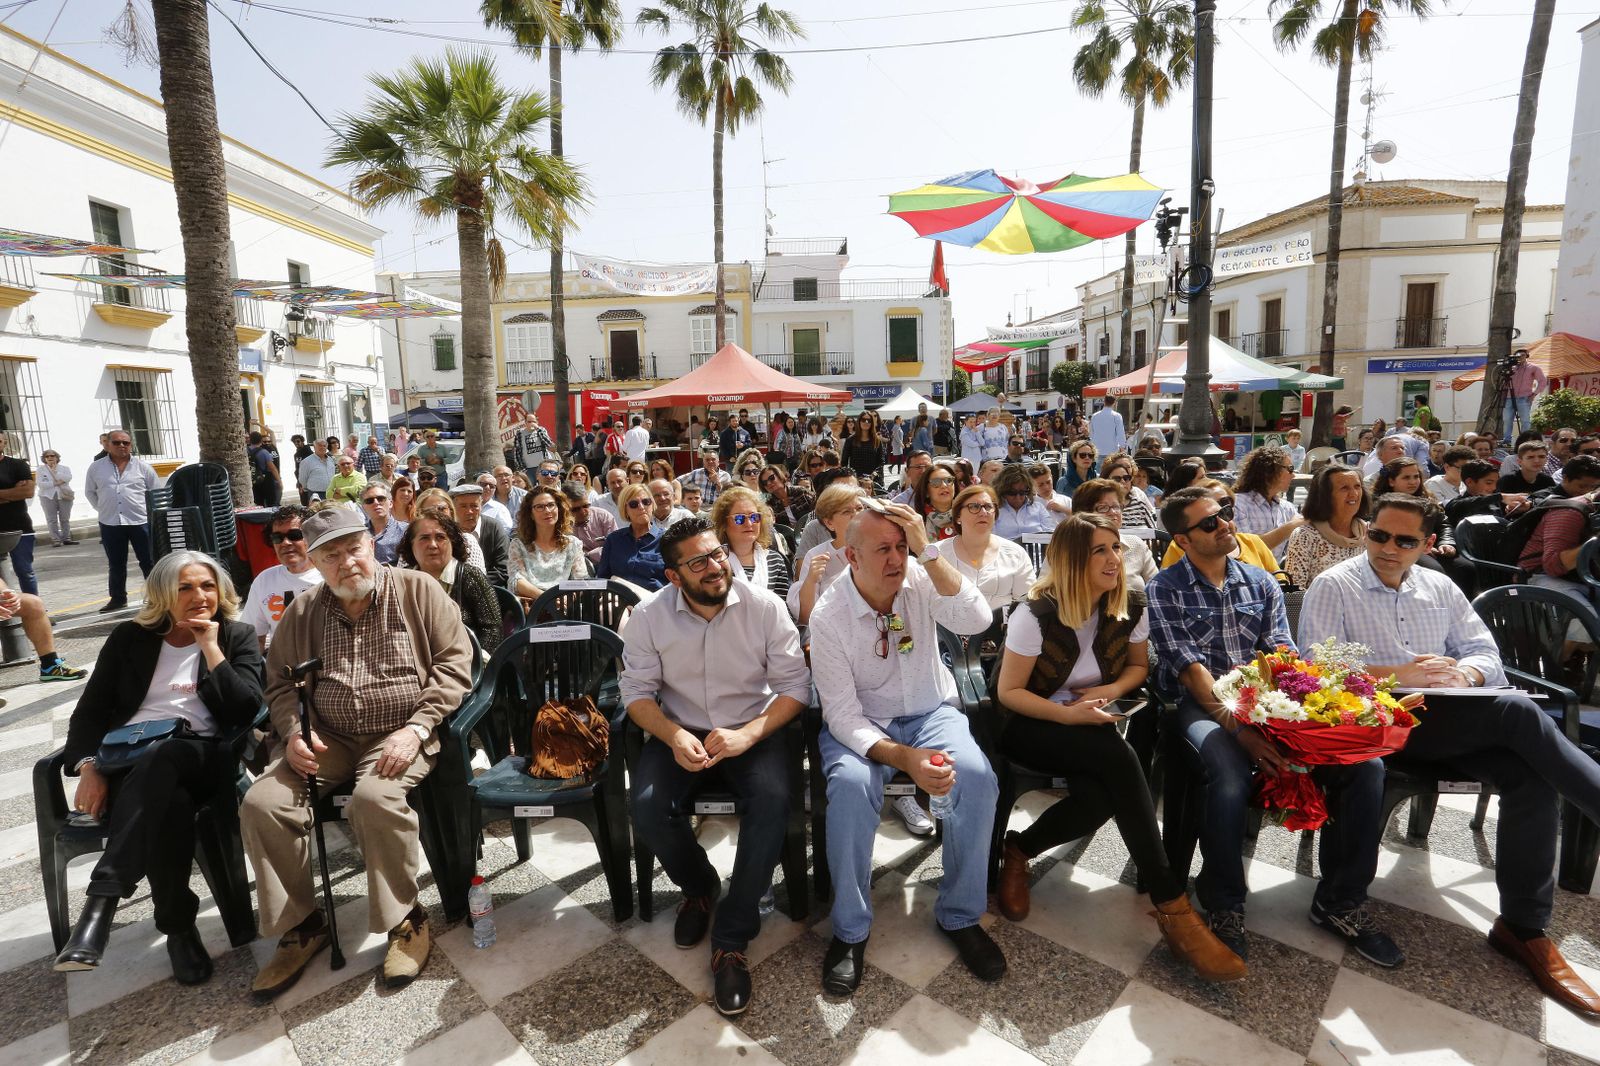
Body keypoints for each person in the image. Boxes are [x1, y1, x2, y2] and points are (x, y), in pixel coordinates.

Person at [1302, 492, 1600, 1019]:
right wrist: (1399, 677)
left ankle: (1523, 927)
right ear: (1367, 530)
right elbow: (1316, 674)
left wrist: (1464, 673)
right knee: (1518, 714)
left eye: (1404, 541)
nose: (1388, 549)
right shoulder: (1336, 585)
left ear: (1428, 544)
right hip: (1381, 724)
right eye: (1379, 535)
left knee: (1529, 775)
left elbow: (1486, 653)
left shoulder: (1438, 587)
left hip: (1452, 718)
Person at [1147, 487, 1398, 965]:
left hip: (1268, 707)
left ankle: (1340, 902)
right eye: (1208, 523)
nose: (1224, 524)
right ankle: (1223, 902)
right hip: (1202, 710)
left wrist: (1293, 722)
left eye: (1225, 514)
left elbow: (1282, 657)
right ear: (1183, 539)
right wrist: (1243, 731)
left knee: (1366, 765)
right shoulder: (1165, 588)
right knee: (1228, 777)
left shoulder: (1260, 584)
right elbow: (1192, 672)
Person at [991, 514, 1246, 980]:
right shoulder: (1035, 614)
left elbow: (1135, 670)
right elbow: (1009, 694)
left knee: (1103, 796)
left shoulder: (1130, 602)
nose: (1115, 559)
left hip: (1089, 722)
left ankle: (1019, 850)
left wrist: (1105, 695)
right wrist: (1069, 713)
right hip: (1029, 720)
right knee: (1117, 759)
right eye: (1101, 551)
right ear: (1071, 561)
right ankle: (1174, 907)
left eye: (1116, 548)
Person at [242, 509, 472, 997]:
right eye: (331, 555)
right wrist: (293, 732)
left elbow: (454, 666)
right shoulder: (302, 610)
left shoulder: (418, 590)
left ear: (372, 546)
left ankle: (405, 920)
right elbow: (280, 682)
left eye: (353, 549)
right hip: (328, 737)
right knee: (262, 804)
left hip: (401, 731)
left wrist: (416, 728)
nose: (346, 562)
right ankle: (303, 925)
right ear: (315, 562)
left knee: (373, 799)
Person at [809, 500, 1004, 994]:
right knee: (850, 788)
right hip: (865, 723)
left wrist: (929, 551)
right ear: (852, 557)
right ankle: (850, 930)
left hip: (929, 710)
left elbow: (977, 620)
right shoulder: (830, 615)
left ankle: (960, 915)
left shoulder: (919, 577)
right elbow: (843, 716)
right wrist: (904, 759)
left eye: (902, 547)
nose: (897, 559)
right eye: (883, 550)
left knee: (978, 779)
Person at [621, 518, 810, 1016]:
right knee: (645, 807)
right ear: (672, 575)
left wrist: (749, 733)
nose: (715, 567)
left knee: (772, 800)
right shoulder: (648, 615)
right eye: (698, 561)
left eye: (717, 554)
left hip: (752, 730)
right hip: (680, 731)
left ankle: (731, 937)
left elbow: (795, 687)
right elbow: (636, 694)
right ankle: (700, 886)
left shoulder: (764, 608)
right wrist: (674, 734)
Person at [52, 551, 262, 982]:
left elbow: (245, 709)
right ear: (163, 595)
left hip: (202, 758)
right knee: (169, 803)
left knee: (164, 756)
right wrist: (89, 767)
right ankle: (177, 927)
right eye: (185, 587)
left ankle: (100, 906)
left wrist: (209, 647)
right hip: (133, 770)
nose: (199, 595)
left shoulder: (236, 635)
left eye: (207, 585)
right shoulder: (130, 638)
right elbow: (90, 712)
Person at [401, 511, 503, 653]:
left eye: (440, 537)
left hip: (465, 664)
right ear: (411, 545)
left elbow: (492, 631)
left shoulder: (471, 577)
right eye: (424, 538)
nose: (433, 545)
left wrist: (474, 665)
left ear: (453, 542)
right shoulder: (402, 580)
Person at [85, 429, 158, 613]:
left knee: (148, 561)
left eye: (126, 443)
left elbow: (155, 493)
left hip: (140, 521)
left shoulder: (143, 467)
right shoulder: (96, 468)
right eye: (117, 443)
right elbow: (90, 492)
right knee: (116, 563)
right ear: (108, 445)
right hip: (111, 523)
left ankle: (157, 598)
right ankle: (118, 599)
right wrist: (103, 509)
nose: (122, 446)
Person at [241, 506, 325, 651]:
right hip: (285, 666)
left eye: (294, 535)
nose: (285, 543)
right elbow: (254, 637)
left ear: (313, 536)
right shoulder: (264, 581)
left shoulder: (331, 575)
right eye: (277, 537)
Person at [1516, 454, 1600, 599]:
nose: (1587, 491)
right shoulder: (1568, 511)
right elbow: (1553, 565)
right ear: (1566, 478)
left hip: (1582, 575)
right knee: (1585, 619)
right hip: (1541, 574)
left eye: (1593, 487)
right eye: (1582, 486)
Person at [940, 483, 1034, 609]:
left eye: (989, 507)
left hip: (1002, 627)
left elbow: (1026, 603)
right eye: (974, 507)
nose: (983, 512)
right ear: (958, 516)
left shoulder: (1016, 553)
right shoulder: (938, 551)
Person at [789, 483, 864, 625]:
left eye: (860, 508)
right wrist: (811, 580)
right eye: (847, 512)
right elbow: (805, 619)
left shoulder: (880, 548)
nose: (856, 515)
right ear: (829, 523)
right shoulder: (816, 555)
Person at [1071, 479, 1157, 591]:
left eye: (1116, 506)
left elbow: (1157, 587)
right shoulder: (1068, 547)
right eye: (1103, 507)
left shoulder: (1137, 545)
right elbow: (1046, 592)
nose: (1113, 512)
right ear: (1083, 513)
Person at [507, 486, 588, 602]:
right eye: (540, 507)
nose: (547, 511)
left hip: (564, 607)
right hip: (532, 608)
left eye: (551, 505)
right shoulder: (518, 545)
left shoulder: (573, 544)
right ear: (530, 514)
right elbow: (516, 580)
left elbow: (581, 581)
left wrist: (566, 601)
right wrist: (547, 600)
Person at [710, 486, 791, 600]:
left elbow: (782, 607)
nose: (749, 523)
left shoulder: (775, 560)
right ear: (723, 523)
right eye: (739, 518)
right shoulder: (714, 562)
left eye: (754, 517)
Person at [1231, 446, 1305, 563]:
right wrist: (1291, 526)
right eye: (1290, 469)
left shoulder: (1287, 508)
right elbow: (1247, 549)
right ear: (1271, 470)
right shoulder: (1238, 504)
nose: (1293, 475)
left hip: (1276, 578)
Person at [597, 483, 668, 592]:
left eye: (646, 502)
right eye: (634, 504)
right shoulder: (613, 540)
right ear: (625, 510)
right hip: (619, 602)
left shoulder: (667, 540)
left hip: (654, 602)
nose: (641, 507)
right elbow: (603, 578)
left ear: (652, 505)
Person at [450, 484, 510, 588]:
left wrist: (474, 585)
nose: (469, 511)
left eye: (474, 506)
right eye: (463, 506)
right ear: (453, 508)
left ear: (481, 506)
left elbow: (503, 568)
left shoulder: (494, 527)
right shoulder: (448, 530)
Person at [0, 432, 37, 594]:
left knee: (25, 571)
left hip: (20, 527)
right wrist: (13, 492)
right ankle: (6, 613)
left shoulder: (18, 465)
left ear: (5, 443)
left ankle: (36, 609)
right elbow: (19, 493)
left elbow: (28, 492)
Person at [992, 464, 1058, 539]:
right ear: (1002, 490)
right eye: (1012, 493)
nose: (1018, 497)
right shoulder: (994, 511)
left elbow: (1051, 536)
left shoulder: (1038, 508)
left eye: (1022, 492)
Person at [1096, 454, 1157, 529]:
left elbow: (1154, 532)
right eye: (1117, 479)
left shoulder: (1140, 504)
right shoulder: (1099, 507)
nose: (1123, 481)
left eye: (1126, 478)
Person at [563, 480, 617, 563]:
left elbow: (615, 546)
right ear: (565, 508)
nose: (583, 511)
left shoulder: (603, 516)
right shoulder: (560, 524)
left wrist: (588, 555)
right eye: (575, 509)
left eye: (586, 506)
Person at [36, 447, 77, 546]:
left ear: (57, 457)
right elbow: (41, 484)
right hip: (47, 496)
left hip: (64, 495)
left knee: (65, 518)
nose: (50, 458)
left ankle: (66, 538)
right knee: (51, 519)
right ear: (44, 458)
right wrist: (57, 482)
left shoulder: (64, 468)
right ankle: (56, 540)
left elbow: (68, 478)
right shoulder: (41, 470)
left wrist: (55, 472)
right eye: (47, 456)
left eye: (52, 455)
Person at [1504, 348, 1548, 437]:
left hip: (1524, 397)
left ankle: (1524, 439)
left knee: (1525, 420)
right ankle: (1507, 439)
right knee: (1507, 419)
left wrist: (1534, 394)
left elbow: (1543, 381)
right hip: (1509, 397)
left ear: (1526, 356)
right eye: (1518, 356)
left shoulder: (1533, 367)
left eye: (1522, 355)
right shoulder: (1511, 368)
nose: (1520, 357)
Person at [914, 461, 961, 542]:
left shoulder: (969, 514)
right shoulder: (916, 522)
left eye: (949, 480)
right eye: (936, 482)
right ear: (927, 492)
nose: (944, 485)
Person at [679, 445, 732, 509]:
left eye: (713, 459)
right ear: (703, 462)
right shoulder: (696, 473)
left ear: (718, 462)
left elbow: (728, 497)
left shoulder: (725, 476)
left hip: (715, 508)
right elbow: (677, 481)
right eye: (707, 460)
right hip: (697, 507)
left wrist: (717, 482)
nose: (710, 462)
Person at [762, 465, 813, 530]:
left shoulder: (800, 492)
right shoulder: (769, 505)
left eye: (772, 478)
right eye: (764, 482)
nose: (769, 483)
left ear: (780, 476)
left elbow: (818, 509)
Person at [511, 413, 558, 480]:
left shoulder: (541, 430)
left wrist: (538, 429)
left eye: (534, 421)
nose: (531, 423)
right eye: (529, 422)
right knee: (531, 488)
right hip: (528, 468)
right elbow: (517, 452)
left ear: (537, 422)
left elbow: (549, 444)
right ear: (525, 422)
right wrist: (521, 469)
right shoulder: (520, 433)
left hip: (543, 466)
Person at [840, 416, 885, 483]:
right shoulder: (850, 440)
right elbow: (844, 462)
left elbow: (881, 462)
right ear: (859, 422)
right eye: (863, 420)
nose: (866, 422)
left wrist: (873, 475)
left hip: (874, 480)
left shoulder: (877, 440)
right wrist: (850, 476)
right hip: (856, 480)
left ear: (872, 423)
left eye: (869, 420)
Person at [296, 438, 336, 504]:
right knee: (317, 512)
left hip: (330, 493)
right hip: (316, 494)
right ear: (314, 447)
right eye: (320, 445)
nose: (322, 447)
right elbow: (303, 479)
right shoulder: (306, 462)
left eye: (324, 446)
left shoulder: (330, 459)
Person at [248, 431, 282, 508]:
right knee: (271, 503)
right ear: (261, 441)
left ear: (250, 440)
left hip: (252, 480)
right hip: (266, 480)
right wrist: (279, 482)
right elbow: (272, 468)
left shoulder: (246, 451)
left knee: (259, 503)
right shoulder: (264, 452)